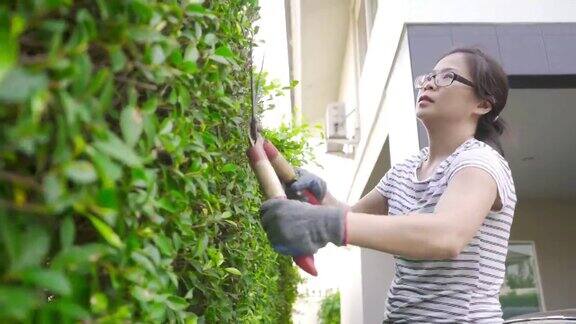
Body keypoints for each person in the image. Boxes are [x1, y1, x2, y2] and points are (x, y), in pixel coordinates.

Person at [260, 47, 517, 323]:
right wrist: (321, 197)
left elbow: (446, 236)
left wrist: (326, 222)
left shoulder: (480, 162)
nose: (430, 82)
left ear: (483, 105)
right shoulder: (404, 171)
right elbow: (353, 218)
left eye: (447, 77)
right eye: (430, 76)